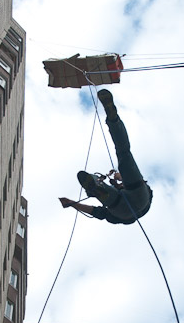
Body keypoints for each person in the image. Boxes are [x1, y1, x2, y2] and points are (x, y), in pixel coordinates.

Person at [59, 89, 153, 224]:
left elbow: (96, 212)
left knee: (123, 156)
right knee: (123, 153)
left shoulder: (119, 191)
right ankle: (113, 119)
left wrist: (73, 204)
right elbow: (95, 212)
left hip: (122, 207)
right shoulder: (127, 188)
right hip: (138, 200)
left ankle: (96, 186)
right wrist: (72, 203)